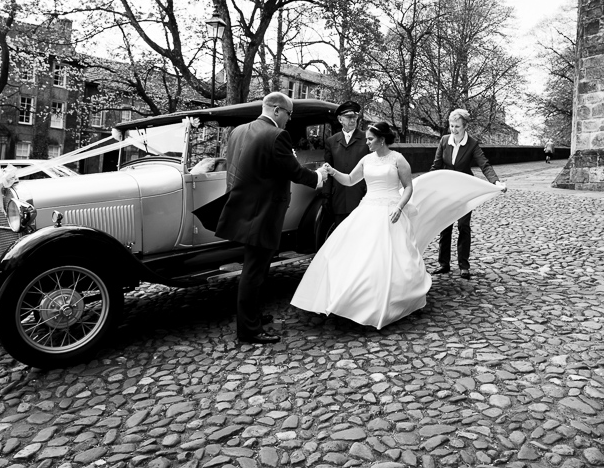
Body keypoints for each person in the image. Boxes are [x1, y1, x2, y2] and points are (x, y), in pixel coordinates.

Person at [291, 121, 505, 329]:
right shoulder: (366, 160)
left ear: (382, 140)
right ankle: (351, 300)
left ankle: (394, 300)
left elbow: (409, 188)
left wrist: (399, 207)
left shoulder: (398, 160)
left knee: (393, 257)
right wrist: (332, 171)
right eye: (366, 139)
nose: (367, 143)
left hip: (391, 211)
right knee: (358, 255)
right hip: (367, 210)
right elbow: (349, 180)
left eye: (371, 139)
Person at [216, 92, 327, 345]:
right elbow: (295, 172)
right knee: (254, 273)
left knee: (256, 270)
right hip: (263, 214)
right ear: (277, 110)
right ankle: (249, 331)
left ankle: (253, 317)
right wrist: (319, 176)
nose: (289, 119)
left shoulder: (238, 131)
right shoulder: (277, 135)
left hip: (241, 210)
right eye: (289, 114)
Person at [429, 109, 506, 280]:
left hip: (464, 190)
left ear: (465, 126)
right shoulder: (443, 141)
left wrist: (496, 182)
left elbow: (484, 165)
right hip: (446, 190)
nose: (453, 129)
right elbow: (436, 166)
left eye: (457, 126)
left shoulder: (472, 144)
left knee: (463, 226)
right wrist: (427, 184)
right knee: (445, 225)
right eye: (451, 126)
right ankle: (444, 264)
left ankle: (464, 265)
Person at [320, 100, 369, 237]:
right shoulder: (332, 141)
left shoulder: (367, 139)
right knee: (341, 235)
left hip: (361, 195)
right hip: (339, 196)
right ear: (340, 119)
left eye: (355, 117)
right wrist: (326, 195)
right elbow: (328, 170)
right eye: (348, 117)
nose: (353, 120)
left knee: (361, 235)